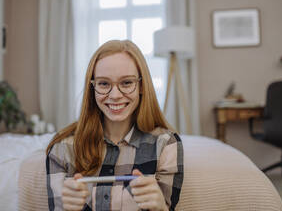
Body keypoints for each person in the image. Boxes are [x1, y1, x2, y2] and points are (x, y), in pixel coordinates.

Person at [46, 40, 183, 211]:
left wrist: (161, 208)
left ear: (141, 86)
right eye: (104, 83)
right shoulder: (62, 148)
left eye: (126, 83)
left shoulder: (166, 144)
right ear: (92, 88)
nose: (115, 95)